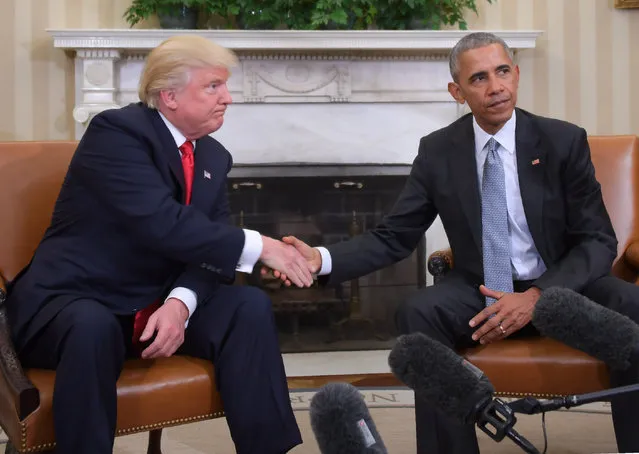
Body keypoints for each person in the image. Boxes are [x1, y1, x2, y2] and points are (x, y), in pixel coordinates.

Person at [276, 32, 639, 453]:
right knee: (418, 312)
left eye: (503, 71)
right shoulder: (438, 152)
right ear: (458, 91)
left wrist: (540, 295)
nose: (496, 87)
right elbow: (395, 235)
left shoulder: (562, 141)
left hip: (563, 286)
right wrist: (320, 259)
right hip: (481, 289)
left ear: (517, 75)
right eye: (479, 78)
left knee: (630, 306)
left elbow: (596, 239)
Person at [4, 35, 312, 454]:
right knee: (91, 327)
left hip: (151, 306)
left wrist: (180, 305)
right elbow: (161, 222)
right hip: (75, 300)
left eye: (224, 86)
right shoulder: (116, 133)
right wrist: (261, 246)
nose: (228, 98)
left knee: (247, 307)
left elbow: (210, 252)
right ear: (168, 96)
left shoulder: (213, 156)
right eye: (213, 86)